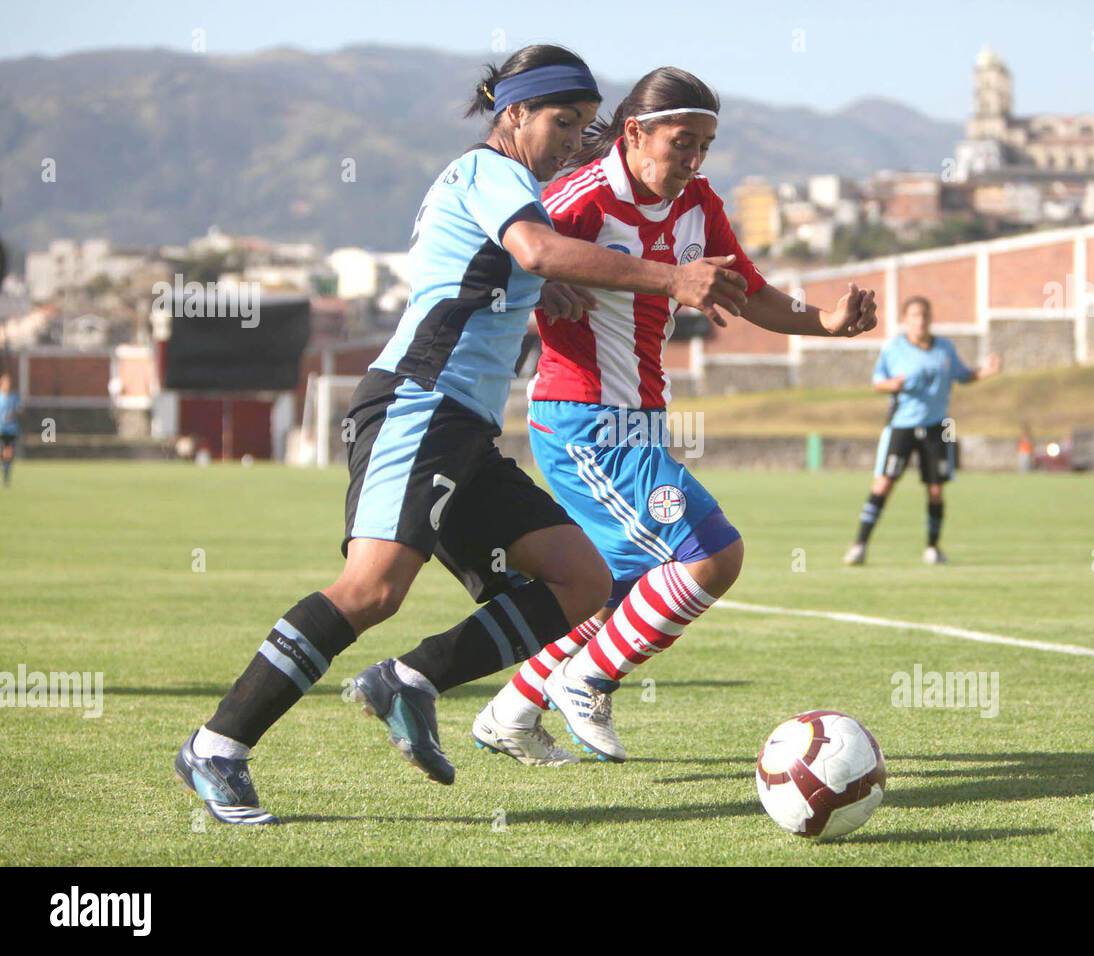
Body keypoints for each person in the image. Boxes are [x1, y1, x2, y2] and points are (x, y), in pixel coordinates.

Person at [173, 45, 750, 825]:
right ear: (513, 115)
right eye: (564, 123)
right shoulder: (489, 173)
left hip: (466, 429)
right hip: (419, 404)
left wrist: (558, 279)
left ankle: (410, 681)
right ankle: (218, 745)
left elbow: (521, 262)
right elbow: (533, 249)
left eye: (585, 125)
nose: (575, 139)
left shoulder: (515, 186)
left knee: (578, 579)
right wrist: (665, 276)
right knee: (373, 589)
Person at [469, 66, 877, 766]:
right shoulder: (580, 199)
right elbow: (497, 261)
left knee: (614, 589)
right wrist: (542, 286)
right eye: (682, 142)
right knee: (714, 555)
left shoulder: (698, 204)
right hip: (581, 420)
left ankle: (509, 713)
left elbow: (748, 292)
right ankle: (589, 681)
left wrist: (828, 323)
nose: (692, 161)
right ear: (635, 133)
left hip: (641, 420)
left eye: (705, 147)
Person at [843, 295, 999, 567]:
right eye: (914, 315)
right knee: (883, 484)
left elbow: (963, 376)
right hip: (901, 426)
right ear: (905, 320)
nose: (921, 320)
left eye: (925, 315)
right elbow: (878, 383)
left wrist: (984, 372)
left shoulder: (944, 350)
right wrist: (893, 385)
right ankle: (859, 545)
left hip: (937, 428)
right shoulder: (894, 349)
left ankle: (933, 547)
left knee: (936, 490)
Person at [0, 373, 18, 487]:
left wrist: (13, 414)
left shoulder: (14, 397)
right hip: (0, 428)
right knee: (2, 452)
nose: (7, 385)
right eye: (5, 382)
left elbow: (19, 409)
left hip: (10, 429)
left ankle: (6, 475)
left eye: (9, 383)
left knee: (8, 453)